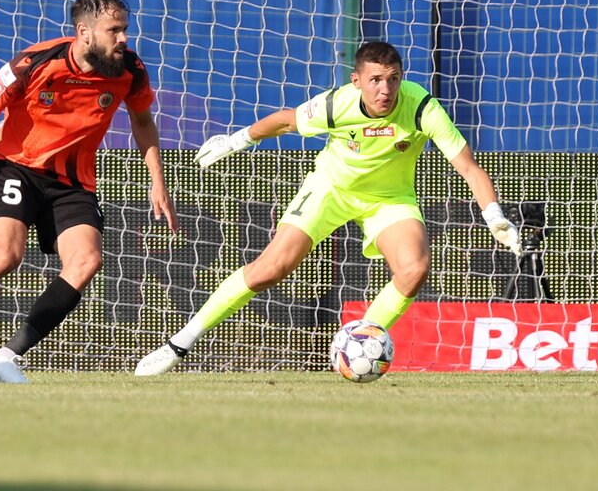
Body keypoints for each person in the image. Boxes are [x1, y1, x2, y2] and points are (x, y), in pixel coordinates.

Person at [134, 40, 520, 376]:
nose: (385, 89)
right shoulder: (337, 104)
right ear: (357, 81)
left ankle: (358, 347)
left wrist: (493, 215)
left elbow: (469, 168)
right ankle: (178, 345)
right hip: (330, 189)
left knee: (414, 269)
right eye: (375, 80)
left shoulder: (422, 107)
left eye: (393, 79)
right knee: (270, 269)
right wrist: (236, 140)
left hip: (389, 200)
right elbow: (286, 121)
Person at [0, 0, 178, 384]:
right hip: (16, 168)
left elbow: (143, 123)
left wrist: (158, 182)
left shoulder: (130, 70)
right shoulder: (33, 63)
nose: (124, 38)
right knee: (3, 256)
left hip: (73, 182)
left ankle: (5, 359)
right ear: (84, 32)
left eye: (125, 29)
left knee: (86, 261)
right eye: (114, 30)